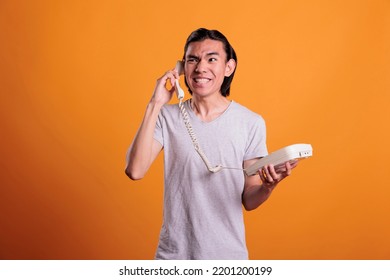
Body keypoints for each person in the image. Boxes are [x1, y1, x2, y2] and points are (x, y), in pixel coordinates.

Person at [125, 28, 298, 259]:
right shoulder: (167, 117)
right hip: (173, 257)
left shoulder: (250, 122)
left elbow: (249, 199)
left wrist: (268, 186)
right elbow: (135, 171)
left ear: (229, 67)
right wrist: (154, 104)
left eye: (211, 59)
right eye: (192, 60)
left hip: (227, 259)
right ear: (181, 67)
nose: (200, 68)